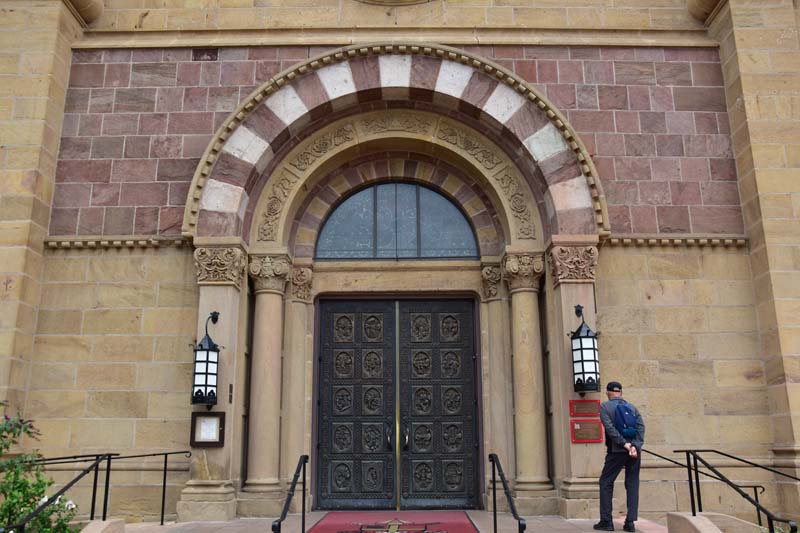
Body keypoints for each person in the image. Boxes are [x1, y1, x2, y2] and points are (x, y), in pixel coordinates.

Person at [594, 381, 645, 532]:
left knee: (606, 482)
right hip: (634, 452)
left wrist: (623, 444)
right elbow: (641, 427)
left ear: (608, 392)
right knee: (632, 484)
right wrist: (635, 446)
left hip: (616, 451)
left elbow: (610, 428)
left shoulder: (605, 407)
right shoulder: (632, 407)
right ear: (621, 393)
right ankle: (630, 523)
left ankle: (606, 522)